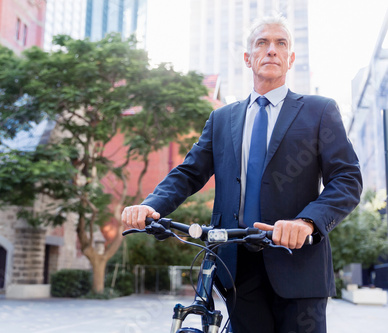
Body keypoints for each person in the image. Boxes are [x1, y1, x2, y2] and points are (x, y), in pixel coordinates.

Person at [121, 15, 362, 333]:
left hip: (299, 265)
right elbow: (189, 172)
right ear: (248, 58)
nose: (271, 50)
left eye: (281, 44)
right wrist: (153, 205)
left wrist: (307, 222)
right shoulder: (222, 119)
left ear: (290, 58)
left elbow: (347, 179)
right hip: (235, 266)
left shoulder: (319, 111)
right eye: (262, 42)